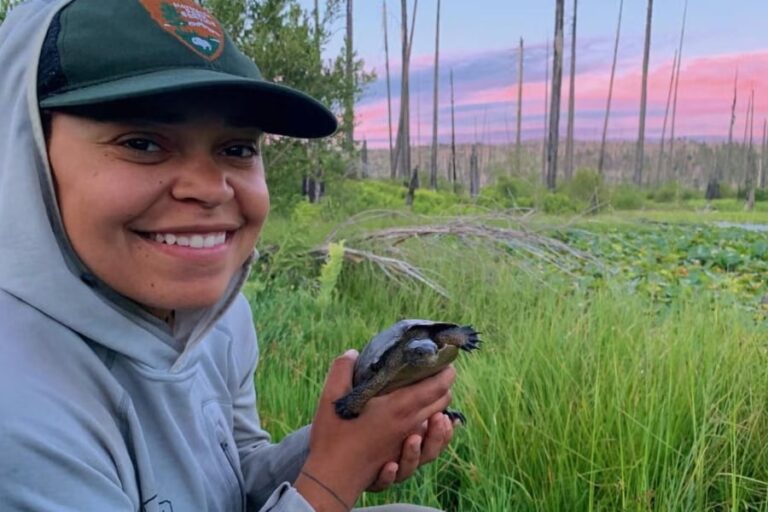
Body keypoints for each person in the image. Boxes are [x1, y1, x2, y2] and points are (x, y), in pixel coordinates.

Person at [0, 1, 459, 511]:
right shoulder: (17, 409)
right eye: (142, 143)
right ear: (26, 154)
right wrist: (335, 475)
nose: (209, 188)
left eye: (238, 148)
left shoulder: (218, 318)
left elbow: (232, 473)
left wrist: (346, 435)